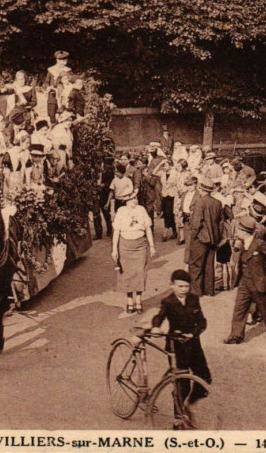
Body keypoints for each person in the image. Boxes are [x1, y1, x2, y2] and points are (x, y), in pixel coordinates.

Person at [149, 269, 212, 428]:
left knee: (205, 378)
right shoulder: (168, 301)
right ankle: (178, 419)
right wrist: (156, 327)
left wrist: (194, 333)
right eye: (180, 286)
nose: (184, 289)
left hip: (193, 344)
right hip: (176, 346)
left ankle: (188, 405)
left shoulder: (193, 299)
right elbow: (159, 317)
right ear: (172, 285)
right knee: (182, 384)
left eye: (186, 286)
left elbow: (202, 321)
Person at [224, 216, 266, 344]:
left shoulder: (259, 244)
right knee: (240, 308)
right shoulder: (241, 244)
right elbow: (236, 261)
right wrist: (236, 249)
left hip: (258, 282)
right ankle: (236, 335)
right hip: (245, 281)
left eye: (238, 230)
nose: (236, 233)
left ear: (244, 232)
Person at [110, 180, 156, 314]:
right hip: (125, 246)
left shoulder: (141, 209)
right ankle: (130, 301)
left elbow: (148, 228)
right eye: (131, 199)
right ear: (125, 201)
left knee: (140, 273)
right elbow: (116, 231)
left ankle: (139, 300)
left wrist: (152, 246)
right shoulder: (121, 211)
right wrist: (114, 249)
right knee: (127, 275)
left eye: (135, 198)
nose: (134, 201)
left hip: (140, 246)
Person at [187, 178, 223, 297]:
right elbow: (220, 222)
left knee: (195, 265)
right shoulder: (217, 203)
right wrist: (217, 237)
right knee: (209, 265)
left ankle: (196, 292)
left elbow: (197, 223)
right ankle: (209, 290)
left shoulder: (200, 202)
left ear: (201, 189)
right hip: (213, 238)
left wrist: (192, 237)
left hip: (201, 237)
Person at [45, 51, 71, 124]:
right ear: (57, 60)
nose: (64, 63)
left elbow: (71, 82)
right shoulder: (51, 70)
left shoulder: (68, 70)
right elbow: (46, 82)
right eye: (62, 61)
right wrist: (48, 87)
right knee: (52, 115)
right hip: (52, 96)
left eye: (65, 61)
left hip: (63, 96)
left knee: (63, 115)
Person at [93, 156, 115, 239]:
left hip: (104, 194)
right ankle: (98, 234)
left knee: (106, 213)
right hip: (95, 193)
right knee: (96, 214)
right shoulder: (93, 169)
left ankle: (109, 230)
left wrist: (104, 185)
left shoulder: (109, 168)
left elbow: (112, 181)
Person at [176, 174, 197, 246]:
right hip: (186, 218)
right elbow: (181, 206)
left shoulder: (199, 195)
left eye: (190, 185)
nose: (189, 187)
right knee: (188, 241)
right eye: (187, 186)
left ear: (195, 184)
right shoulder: (184, 194)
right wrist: (180, 212)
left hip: (194, 219)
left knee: (194, 240)